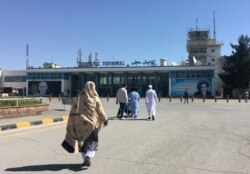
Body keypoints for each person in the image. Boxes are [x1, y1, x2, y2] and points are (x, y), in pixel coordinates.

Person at [61, 81, 108, 167]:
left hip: (80, 125)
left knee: (82, 142)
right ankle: (88, 156)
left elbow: (73, 110)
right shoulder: (95, 98)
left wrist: (72, 122)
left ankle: (85, 158)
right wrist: (105, 119)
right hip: (92, 125)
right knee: (92, 142)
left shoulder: (79, 97)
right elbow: (100, 110)